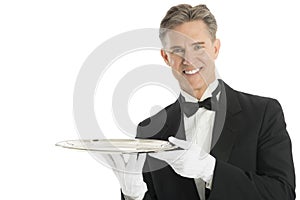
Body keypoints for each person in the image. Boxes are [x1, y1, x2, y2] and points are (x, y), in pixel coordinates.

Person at [103, 4, 296, 200]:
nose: (189, 59)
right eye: (178, 50)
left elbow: (283, 193)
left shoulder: (263, 113)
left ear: (215, 48)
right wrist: (133, 196)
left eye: (198, 47)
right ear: (165, 57)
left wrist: (211, 170)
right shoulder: (149, 130)